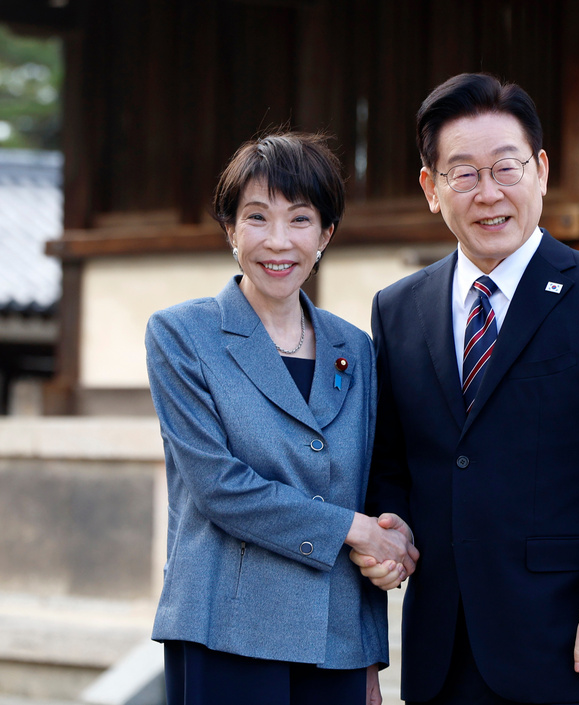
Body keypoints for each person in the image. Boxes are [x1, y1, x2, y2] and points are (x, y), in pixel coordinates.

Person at [353, 73, 579, 704]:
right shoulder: (398, 308)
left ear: (541, 172)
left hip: (567, 644)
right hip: (439, 651)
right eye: (464, 174)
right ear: (431, 189)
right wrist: (390, 532)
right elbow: (394, 458)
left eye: (506, 168)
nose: (488, 193)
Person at [146, 131, 417, 705]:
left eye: (299, 220)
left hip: (336, 637)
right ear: (230, 229)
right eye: (256, 218)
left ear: (326, 235)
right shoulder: (182, 335)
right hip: (228, 631)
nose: (278, 241)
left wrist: (370, 654)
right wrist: (353, 529)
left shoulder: (358, 349)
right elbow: (219, 487)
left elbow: (367, 488)